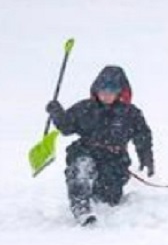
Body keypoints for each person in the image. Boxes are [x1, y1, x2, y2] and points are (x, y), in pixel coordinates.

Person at [45, 65, 154, 227]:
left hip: (115, 160)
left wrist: (146, 157)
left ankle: (99, 194)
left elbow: (142, 137)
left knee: (108, 199)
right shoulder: (85, 108)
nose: (105, 94)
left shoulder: (130, 113)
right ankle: (80, 207)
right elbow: (66, 127)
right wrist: (57, 113)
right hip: (86, 151)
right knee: (82, 167)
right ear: (95, 89)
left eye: (111, 90)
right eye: (102, 89)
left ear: (120, 92)